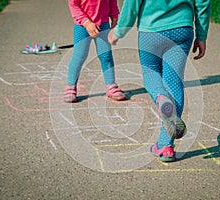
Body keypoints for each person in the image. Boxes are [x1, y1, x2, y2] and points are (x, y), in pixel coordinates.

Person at [108, 0, 211, 162]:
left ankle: (160, 97)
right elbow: (203, 2)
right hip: (182, 30)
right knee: (174, 82)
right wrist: (202, 35)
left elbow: (132, 3)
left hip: (151, 31)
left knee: (150, 72)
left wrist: (119, 31)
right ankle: (165, 146)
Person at [64, 0, 127, 103]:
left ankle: (111, 85)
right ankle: (70, 86)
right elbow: (73, 5)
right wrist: (86, 23)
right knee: (79, 56)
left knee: (106, 55)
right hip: (82, 25)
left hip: (103, 23)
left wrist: (114, 17)